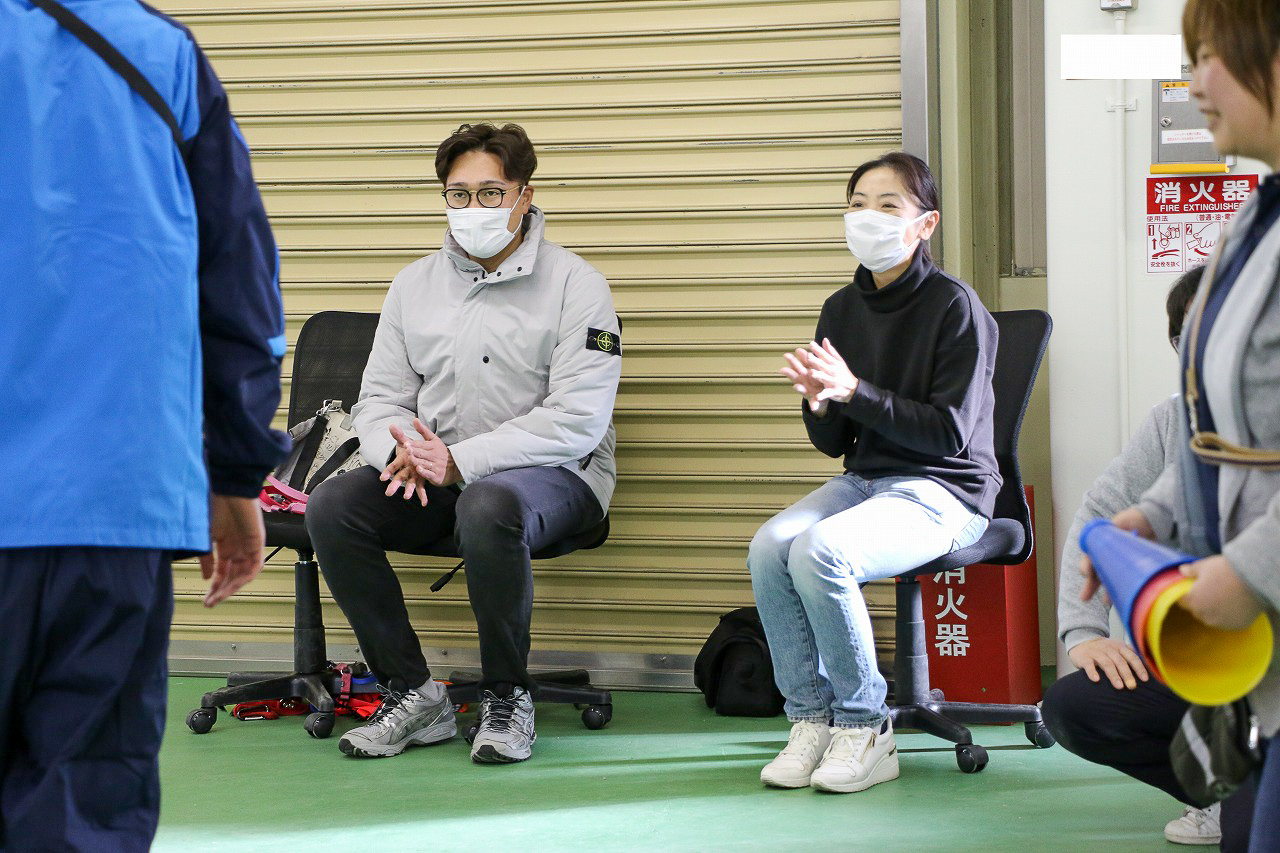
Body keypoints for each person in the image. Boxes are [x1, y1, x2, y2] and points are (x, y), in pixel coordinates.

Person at [0, 2, 289, 849]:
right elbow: (240, 290)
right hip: (113, 506)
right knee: (81, 809)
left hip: (108, 505)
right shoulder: (160, 53)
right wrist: (234, 476)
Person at [306, 122, 621, 766]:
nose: (474, 208)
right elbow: (380, 399)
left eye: (491, 193)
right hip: (437, 470)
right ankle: (412, 694)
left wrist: (459, 462)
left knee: (487, 502)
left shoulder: (577, 284)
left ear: (524, 196)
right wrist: (398, 451)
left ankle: (507, 695)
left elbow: (578, 418)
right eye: (459, 194)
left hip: (557, 474)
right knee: (333, 506)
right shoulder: (412, 285)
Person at [1075, 2, 1280, 850]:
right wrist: (1156, 512)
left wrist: (1248, 567)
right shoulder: (1253, 222)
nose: (1192, 83)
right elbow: (1220, 423)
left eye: (1209, 57)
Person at [747, 152, 999, 794]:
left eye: (889, 205)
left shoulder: (956, 306)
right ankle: (811, 719)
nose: (868, 216)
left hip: (945, 489)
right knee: (770, 546)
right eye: (858, 203)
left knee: (821, 550)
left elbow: (949, 434)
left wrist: (855, 391)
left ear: (926, 224)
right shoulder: (841, 309)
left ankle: (865, 725)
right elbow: (836, 443)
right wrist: (820, 402)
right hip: (866, 481)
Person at [1043, 268, 1229, 847]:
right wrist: (1083, 631)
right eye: (1187, 337)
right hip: (1212, 664)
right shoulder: (1175, 422)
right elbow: (1100, 514)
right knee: (1077, 705)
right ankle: (1220, 795)